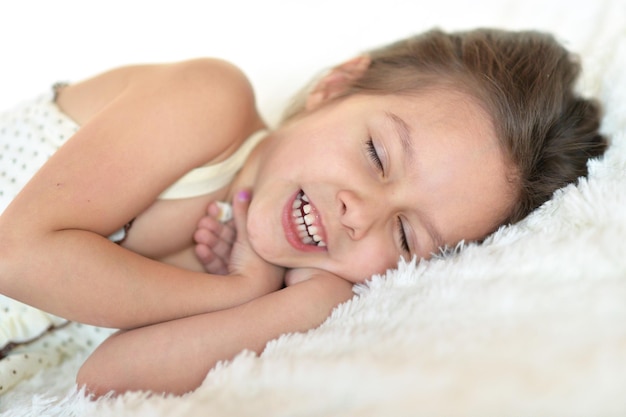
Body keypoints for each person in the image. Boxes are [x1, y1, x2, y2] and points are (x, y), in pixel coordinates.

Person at [0, 28, 606, 396]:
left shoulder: (278, 282)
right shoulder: (208, 104)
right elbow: (18, 256)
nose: (358, 213)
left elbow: (103, 379)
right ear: (336, 86)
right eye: (375, 153)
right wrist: (231, 295)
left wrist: (300, 303)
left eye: (403, 233)